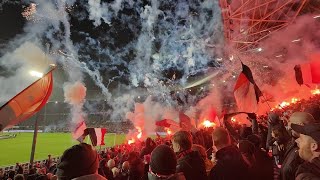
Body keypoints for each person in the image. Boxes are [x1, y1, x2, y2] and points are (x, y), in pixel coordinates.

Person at [280, 112, 316, 180]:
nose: (289, 126)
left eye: (290, 122)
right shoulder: (294, 141)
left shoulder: (308, 149)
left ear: (300, 125)